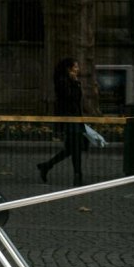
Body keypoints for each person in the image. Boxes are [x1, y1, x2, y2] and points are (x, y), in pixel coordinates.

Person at [38, 58, 86, 186]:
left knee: (72, 148)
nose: (77, 69)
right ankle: (78, 176)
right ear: (68, 69)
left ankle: (47, 166)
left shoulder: (71, 81)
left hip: (75, 118)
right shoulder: (63, 81)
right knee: (75, 148)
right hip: (69, 119)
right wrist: (75, 83)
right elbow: (71, 98)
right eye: (75, 67)